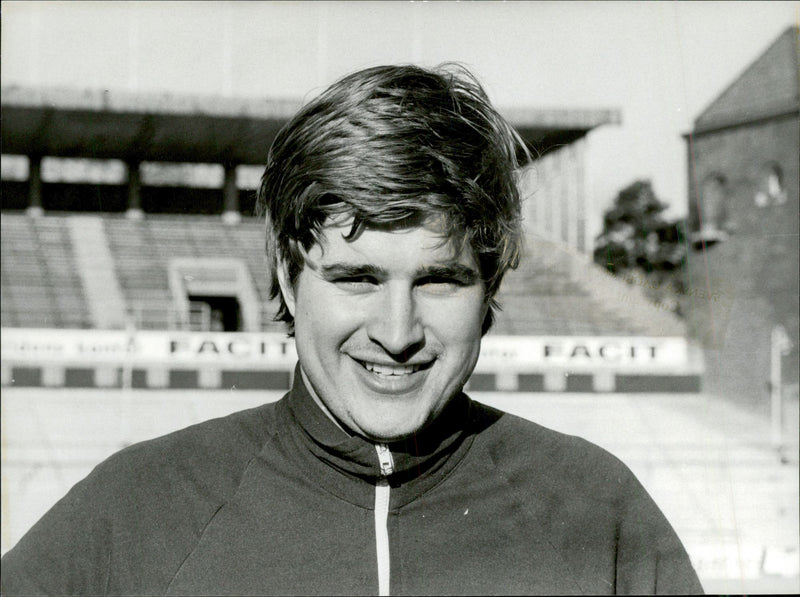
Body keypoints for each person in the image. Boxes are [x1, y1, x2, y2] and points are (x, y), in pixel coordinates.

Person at [1, 64, 703, 595]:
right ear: (286, 272)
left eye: (438, 279)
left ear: (490, 283)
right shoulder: (137, 509)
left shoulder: (599, 510)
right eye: (357, 278)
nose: (398, 332)